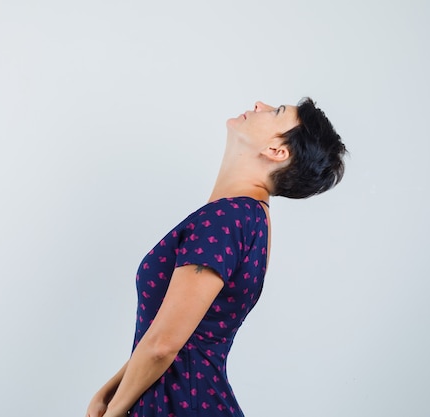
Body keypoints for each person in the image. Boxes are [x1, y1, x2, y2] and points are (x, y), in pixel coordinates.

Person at [85, 98, 347, 417]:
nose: (260, 104)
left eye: (276, 112)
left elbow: (164, 345)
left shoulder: (228, 218)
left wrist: (114, 412)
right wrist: (109, 391)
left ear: (277, 151)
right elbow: (175, 334)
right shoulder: (245, 216)